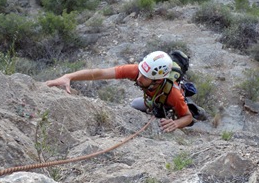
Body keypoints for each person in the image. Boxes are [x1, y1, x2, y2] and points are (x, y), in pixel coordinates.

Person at [45, 51, 193, 133]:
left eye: (145, 77)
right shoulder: (138, 71)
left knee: (142, 106)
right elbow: (100, 73)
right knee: (134, 104)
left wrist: (176, 123)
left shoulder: (172, 93)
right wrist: (69, 77)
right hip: (151, 101)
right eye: (140, 72)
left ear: (157, 80)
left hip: (166, 104)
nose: (139, 78)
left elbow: (187, 117)